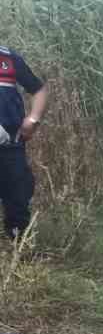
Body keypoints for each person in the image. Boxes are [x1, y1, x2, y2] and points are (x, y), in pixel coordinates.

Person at [0, 44, 50, 242]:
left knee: (18, 198)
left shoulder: (9, 58)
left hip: (10, 146)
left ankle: (18, 248)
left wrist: (33, 119)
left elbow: (39, 90)